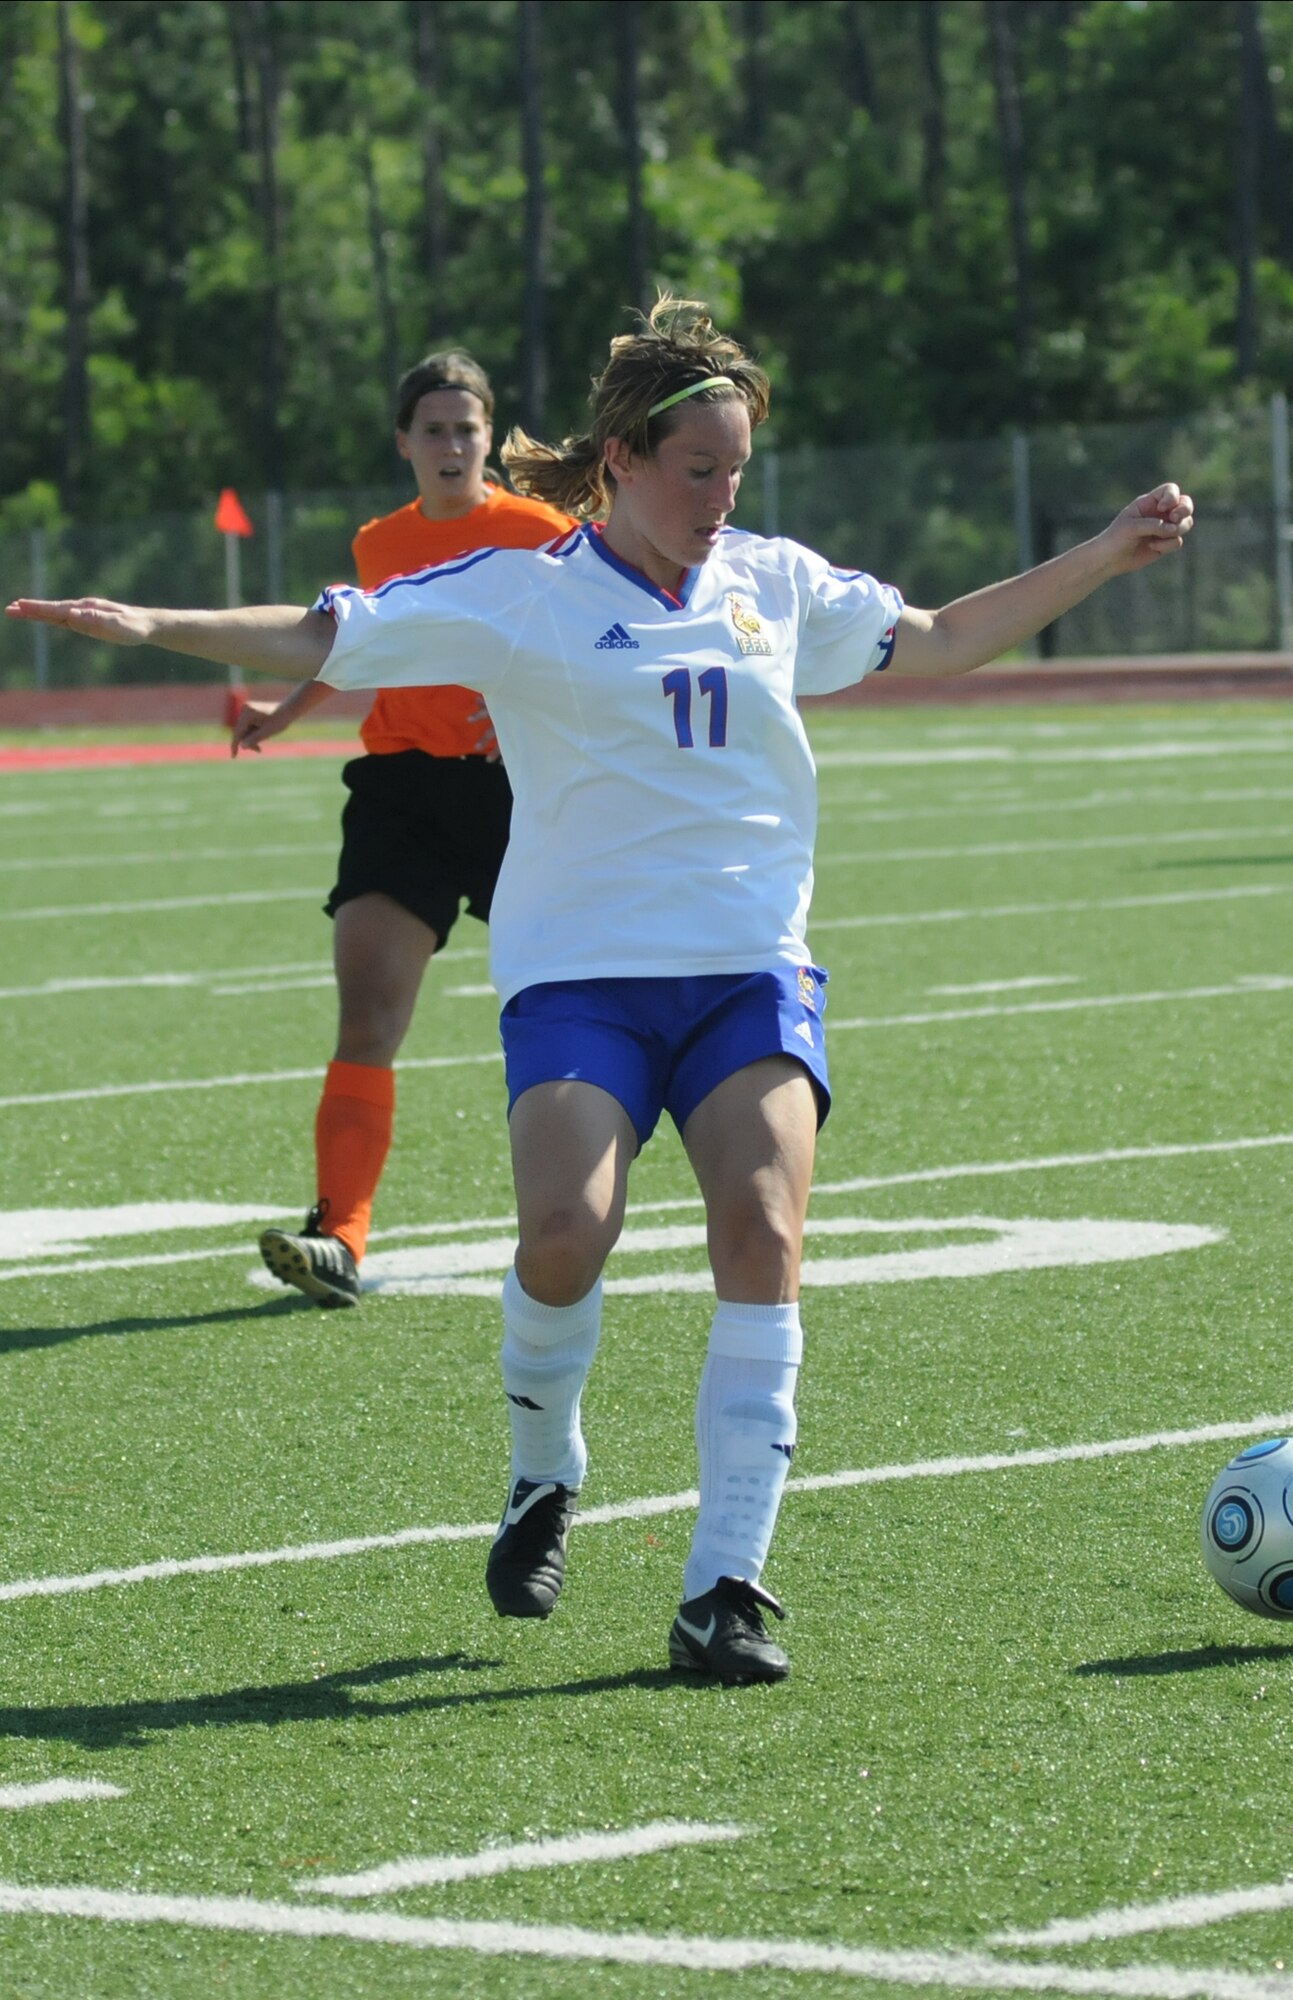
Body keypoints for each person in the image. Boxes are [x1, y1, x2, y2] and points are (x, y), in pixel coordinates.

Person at [8, 297, 1194, 1685]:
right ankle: (541, 1469)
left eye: (737, 470)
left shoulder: (773, 582)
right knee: (566, 1237)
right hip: (580, 975)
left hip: (748, 969)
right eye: (698, 469)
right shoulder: (526, 590)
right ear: (624, 458)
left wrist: (1107, 554)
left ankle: (725, 1585)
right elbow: (328, 634)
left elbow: (935, 636)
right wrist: (153, 622)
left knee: (760, 1233)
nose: (720, 495)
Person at [231, 351, 571, 1308]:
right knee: (368, 1013)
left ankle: (590, 1205)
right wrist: (287, 710)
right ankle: (338, 1234)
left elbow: (589, 639)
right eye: (434, 430)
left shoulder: (541, 533)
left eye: (467, 428)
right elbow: (361, 641)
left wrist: (529, 709)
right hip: (402, 799)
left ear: (489, 439)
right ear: (404, 443)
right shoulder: (379, 542)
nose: (452, 445)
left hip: (521, 798)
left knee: (569, 1004)